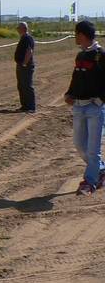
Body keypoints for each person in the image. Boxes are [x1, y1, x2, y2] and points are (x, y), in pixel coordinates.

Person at [64, 20, 105, 196]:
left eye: (76, 33)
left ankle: (90, 182)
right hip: (79, 107)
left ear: (82, 35)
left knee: (92, 149)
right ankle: (100, 170)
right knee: (79, 145)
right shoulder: (81, 56)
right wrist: (69, 93)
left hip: (94, 108)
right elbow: (76, 77)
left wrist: (101, 100)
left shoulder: (100, 54)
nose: (75, 36)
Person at [15, 22, 36, 112]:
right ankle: (24, 106)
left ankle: (31, 107)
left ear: (23, 28)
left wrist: (24, 63)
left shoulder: (27, 38)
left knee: (27, 86)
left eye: (18, 27)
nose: (17, 29)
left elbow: (29, 51)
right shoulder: (23, 38)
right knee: (21, 86)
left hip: (26, 66)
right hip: (21, 65)